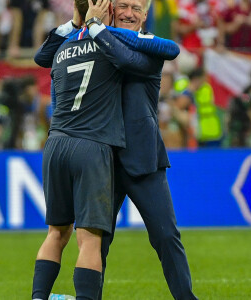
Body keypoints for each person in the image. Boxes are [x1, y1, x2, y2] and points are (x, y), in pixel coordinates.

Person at [35, 0, 198, 299]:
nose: (129, 13)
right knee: (97, 240)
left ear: (146, 15)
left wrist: (98, 28)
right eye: (123, 6)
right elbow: (45, 56)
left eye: (137, 9)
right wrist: (83, 24)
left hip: (141, 159)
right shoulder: (95, 41)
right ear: (110, 8)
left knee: (165, 237)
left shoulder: (146, 46)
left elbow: (131, 57)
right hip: (100, 159)